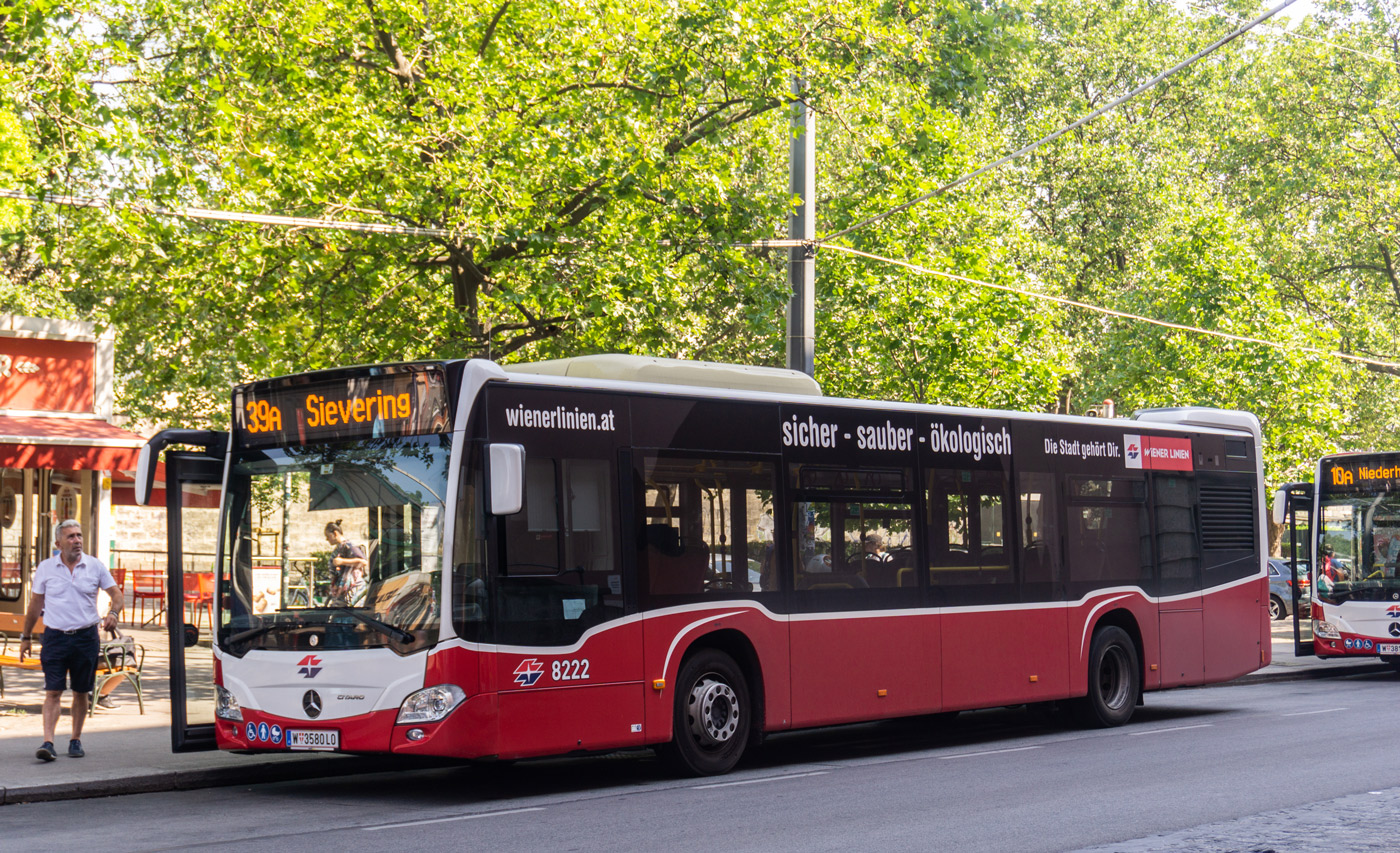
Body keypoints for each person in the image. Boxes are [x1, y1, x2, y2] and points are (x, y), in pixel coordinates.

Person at [18, 519, 122, 762]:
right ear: (58, 543)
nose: (77, 540)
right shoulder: (46, 568)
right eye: (71, 537)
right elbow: (35, 605)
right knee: (52, 691)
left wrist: (114, 613)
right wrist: (25, 636)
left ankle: (75, 740)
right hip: (54, 637)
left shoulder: (94, 566)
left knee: (81, 691)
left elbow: (116, 593)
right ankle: (48, 742)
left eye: (79, 536)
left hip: (86, 637)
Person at [325, 520, 368, 605]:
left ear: (335, 533)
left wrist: (342, 561)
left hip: (350, 590)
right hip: (343, 590)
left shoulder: (349, 546)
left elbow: (363, 562)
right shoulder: (341, 547)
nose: (327, 539)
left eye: (328, 536)